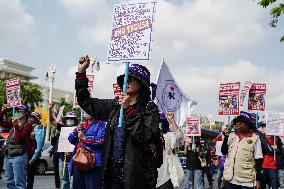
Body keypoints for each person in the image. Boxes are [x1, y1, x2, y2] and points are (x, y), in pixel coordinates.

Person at [75, 56, 162, 189]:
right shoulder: (115, 105)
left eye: (131, 78)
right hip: (111, 174)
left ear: (142, 83)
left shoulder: (149, 108)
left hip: (136, 176)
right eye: (125, 78)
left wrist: (129, 111)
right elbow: (86, 102)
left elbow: (145, 137)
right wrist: (81, 74)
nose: (127, 81)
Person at [221, 111, 263, 189]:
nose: (238, 123)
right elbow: (223, 151)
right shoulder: (231, 136)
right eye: (237, 122)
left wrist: (258, 180)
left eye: (241, 122)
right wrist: (226, 137)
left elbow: (258, 161)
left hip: (247, 182)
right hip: (230, 180)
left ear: (248, 125)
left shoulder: (255, 138)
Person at [68, 114, 105, 189]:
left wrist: (84, 138)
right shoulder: (82, 124)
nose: (86, 112)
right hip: (78, 162)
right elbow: (71, 139)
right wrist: (77, 131)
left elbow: (101, 142)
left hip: (93, 163)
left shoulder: (101, 124)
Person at [0, 104, 32, 189]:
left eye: (20, 110)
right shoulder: (14, 124)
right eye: (17, 110)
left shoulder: (27, 125)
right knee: (10, 182)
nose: (17, 112)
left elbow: (19, 139)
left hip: (19, 157)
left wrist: (15, 126)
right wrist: (3, 110)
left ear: (25, 113)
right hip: (8, 156)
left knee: (19, 183)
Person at [49, 103, 79, 189]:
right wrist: (50, 110)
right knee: (64, 181)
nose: (70, 121)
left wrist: (71, 152)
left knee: (73, 182)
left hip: (74, 160)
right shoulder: (62, 128)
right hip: (63, 158)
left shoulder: (79, 129)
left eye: (72, 119)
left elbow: (80, 144)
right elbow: (52, 121)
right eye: (68, 119)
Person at [156, 112, 183, 189]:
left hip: (165, 178)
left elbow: (178, 135)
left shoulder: (167, 136)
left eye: (161, 122)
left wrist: (172, 120)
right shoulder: (146, 136)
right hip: (149, 178)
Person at [27, 112, 45, 189]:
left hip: (32, 155)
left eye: (32, 117)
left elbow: (39, 145)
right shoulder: (28, 127)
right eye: (30, 117)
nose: (30, 119)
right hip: (25, 154)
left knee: (29, 177)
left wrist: (34, 158)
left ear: (37, 119)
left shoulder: (39, 129)